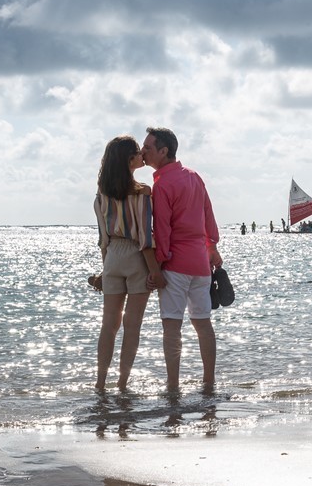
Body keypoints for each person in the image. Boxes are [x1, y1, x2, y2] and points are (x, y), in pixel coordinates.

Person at [141, 127, 223, 392]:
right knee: (203, 324)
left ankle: (173, 387)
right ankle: (209, 382)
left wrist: (158, 266)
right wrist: (212, 246)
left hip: (176, 264)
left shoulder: (163, 184)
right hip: (200, 264)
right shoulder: (194, 177)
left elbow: (162, 231)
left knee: (172, 326)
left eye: (148, 148)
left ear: (163, 151)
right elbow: (208, 214)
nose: (143, 151)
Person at [92, 135, 162, 392]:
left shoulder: (101, 195)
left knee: (108, 325)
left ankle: (100, 383)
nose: (142, 154)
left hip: (112, 257)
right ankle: (122, 384)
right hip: (136, 257)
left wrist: (105, 270)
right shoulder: (142, 192)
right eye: (138, 152)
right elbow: (145, 238)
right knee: (132, 327)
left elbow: (103, 239)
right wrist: (155, 271)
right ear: (129, 159)